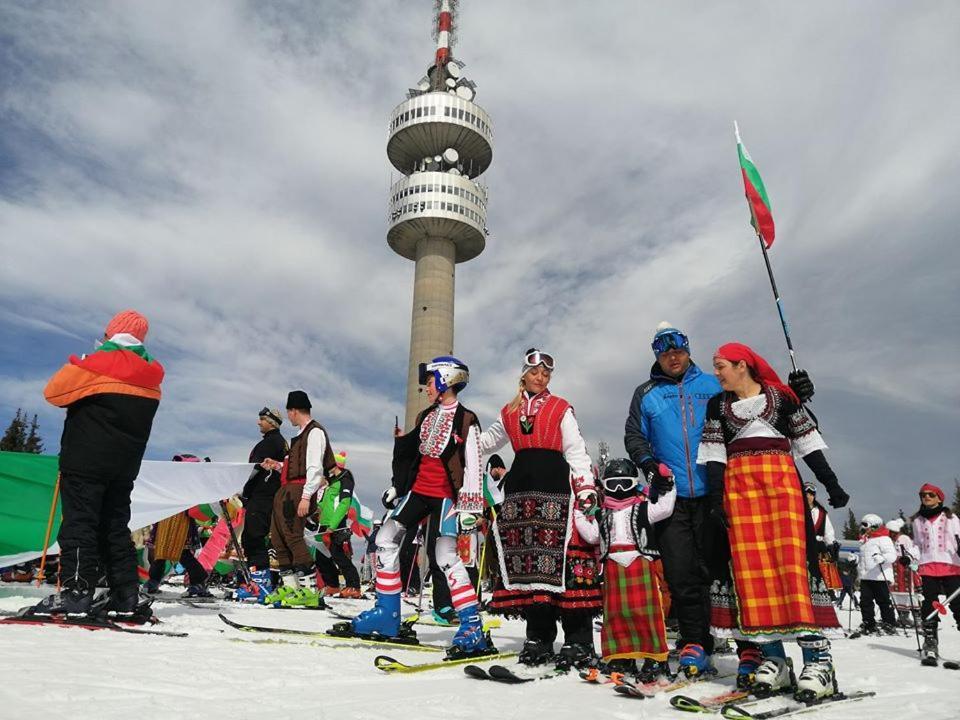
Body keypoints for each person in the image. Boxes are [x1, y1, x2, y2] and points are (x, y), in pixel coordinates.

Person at [698, 342, 848, 702]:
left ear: (742, 366)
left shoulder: (781, 399)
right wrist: (716, 499)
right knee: (753, 574)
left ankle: (818, 662)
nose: (716, 373)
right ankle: (775, 660)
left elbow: (807, 444)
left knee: (794, 569)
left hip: (781, 490)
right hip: (741, 493)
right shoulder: (717, 405)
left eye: (721, 366)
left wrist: (831, 484)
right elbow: (716, 456)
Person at [339, 357, 487, 658]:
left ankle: (472, 624)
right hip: (418, 491)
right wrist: (398, 486)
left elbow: (474, 464)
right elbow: (412, 457)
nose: (427, 387)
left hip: (446, 496)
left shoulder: (465, 419)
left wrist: (471, 504)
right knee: (384, 538)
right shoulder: (426, 416)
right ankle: (387, 613)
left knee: (445, 555)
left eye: (431, 381)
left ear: (446, 380)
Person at [29, 310, 164, 618]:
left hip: (85, 459)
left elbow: (53, 392)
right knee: (115, 526)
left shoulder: (97, 364)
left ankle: (76, 593)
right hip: (125, 466)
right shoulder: (152, 376)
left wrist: (87, 358)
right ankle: (125, 594)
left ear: (110, 334)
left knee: (80, 523)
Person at [480, 349, 602, 668]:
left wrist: (586, 488)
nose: (541, 377)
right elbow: (485, 442)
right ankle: (539, 637)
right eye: (536, 372)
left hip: (556, 489)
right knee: (531, 567)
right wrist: (458, 434)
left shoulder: (561, 408)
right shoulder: (509, 411)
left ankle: (579, 640)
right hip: (521, 495)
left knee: (565, 563)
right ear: (524, 374)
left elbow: (575, 450)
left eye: (546, 374)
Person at [623, 322, 724, 677]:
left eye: (678, 351)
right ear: (657, 357)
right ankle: (693, 640)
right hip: (672, 495)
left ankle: (730, 637)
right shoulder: (647, 392)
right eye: (665, 353)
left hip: (714, 491)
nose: (673, 357)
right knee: (680, 571)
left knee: (715, 569)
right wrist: (649, 466)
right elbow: (634, 435)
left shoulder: (713, 384)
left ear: (688, 350)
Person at [588, 458, 676, 683]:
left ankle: (654, 658)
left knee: (645, 614)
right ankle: (621, 657)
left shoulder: (644, 506)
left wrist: (669, 483)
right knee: (616, 615)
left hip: (640, 561)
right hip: (613, 567)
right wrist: (580, 513)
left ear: (634, 484)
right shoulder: (602, 514)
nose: (618, 490)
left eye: (624, 484)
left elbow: (665, 508)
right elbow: (592, 536)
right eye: (613, 484)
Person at [260, 390, 336, 608]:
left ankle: (310, 590)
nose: (288, 417)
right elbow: (297, 466)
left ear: (294, 411)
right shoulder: (302, 434)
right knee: (278, 538)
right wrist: (278, 466)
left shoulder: (314, 432)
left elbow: (314, 468)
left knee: (293, 536)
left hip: (299, 490)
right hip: (287, 489)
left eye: (289, 412)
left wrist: (306, 496)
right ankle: (291, 587)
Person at [234, 407, 288, 602]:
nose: (258, 422)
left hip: (262, 495)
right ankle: (258, 582)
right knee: (255, 538)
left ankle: (261, 585)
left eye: (262, 419)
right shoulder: (279, 443)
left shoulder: (270, 443)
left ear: (272, 422)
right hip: (268, 495)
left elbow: (254, 470)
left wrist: (241, 489)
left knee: (253, 537)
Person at [143, 454, 213, 597]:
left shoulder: (190, 483)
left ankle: (198, 582)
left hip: (180, 521)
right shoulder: (172, 481)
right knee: (160, 552)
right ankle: (153, 582)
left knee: (182, 553)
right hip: (165, 519)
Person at [910, 483, 960, 665]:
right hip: (928, 565)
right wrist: (910, 557)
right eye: (923, 495)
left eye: (931, 494)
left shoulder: (951, 517)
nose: (926, 497)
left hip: (951, 565)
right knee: (929, 605)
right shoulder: (917, 520)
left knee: (957, 604)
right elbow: (916, 544)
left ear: (939, 498)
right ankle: (930, 643)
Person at [312, 451, 362, 598]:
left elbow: (344, 503)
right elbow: (325, 502)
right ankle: (332, 585)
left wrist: (332, 527)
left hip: (336, 524)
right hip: (323, 523)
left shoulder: (345, 480)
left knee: (339, 555)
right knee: (321, 556)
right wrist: (315, 508)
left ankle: (354, 586)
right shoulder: (332, 482)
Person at [855, 514, 898, 635]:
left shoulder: (884, 539)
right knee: (865, 601)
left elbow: (892, 556)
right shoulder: (864, 540)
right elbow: (864, 559)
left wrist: (882, 558)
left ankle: (889, 623)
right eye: (862, 525)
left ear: (874, 526)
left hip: (879, 576)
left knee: (883, 600)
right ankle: (869, 623)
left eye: (865, 525)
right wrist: (855, 560)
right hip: (866, 576)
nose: (863, 528)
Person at [804, 483, 841, 594]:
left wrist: (831, 546)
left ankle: (821, 595)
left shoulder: (821, 512)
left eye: (811, 494)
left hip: (817, 548)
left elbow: (828, 531)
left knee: (818, 575)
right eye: (806, 494)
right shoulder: (797, 509)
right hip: (802, 545)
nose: (808, 497)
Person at [885, 518, 920, 627]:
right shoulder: (887, 540)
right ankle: (903, 617)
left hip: (905, 568)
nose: (892, 534)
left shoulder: (904, 538)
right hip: (894, 569)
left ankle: (918, 618)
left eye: (893, 532)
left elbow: (913, 553)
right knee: (896, 595)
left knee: (911, 596)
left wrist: (913, 565)